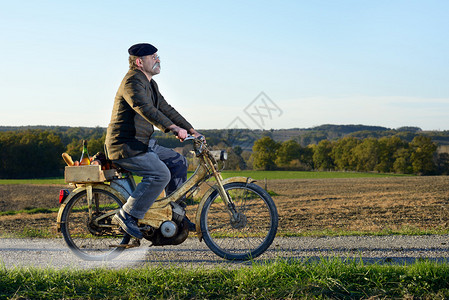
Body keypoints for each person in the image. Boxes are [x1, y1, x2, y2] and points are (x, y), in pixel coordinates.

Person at [105, 43, 203, 239]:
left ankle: (175, 216)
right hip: (126, 146)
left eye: (158, 56)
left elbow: (165, 109)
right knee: (160, 174)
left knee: (178, 162)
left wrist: (191, 129)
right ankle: (127, 215)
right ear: (140, 62)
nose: (158, 59)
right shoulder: (132, 82)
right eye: (153, 56)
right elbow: (145, 108)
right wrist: (173, 128)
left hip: (144, 144)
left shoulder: (149, 83)